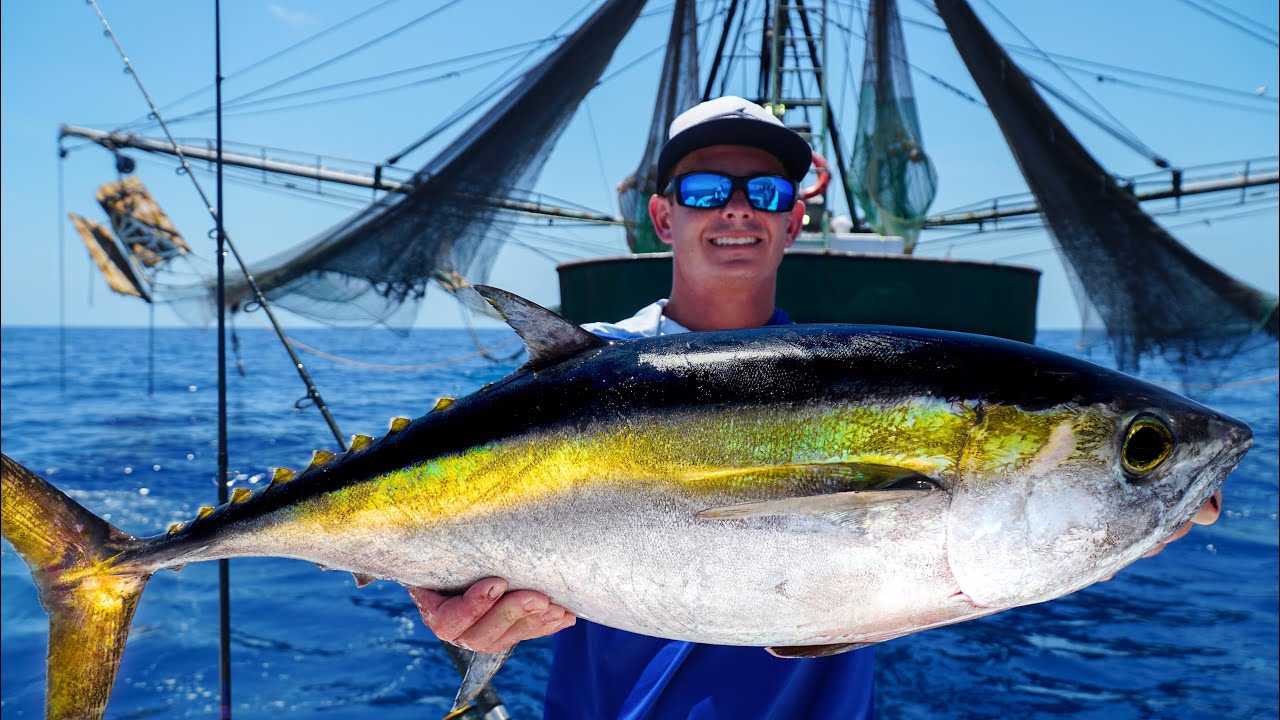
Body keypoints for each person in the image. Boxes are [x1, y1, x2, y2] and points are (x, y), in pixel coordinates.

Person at [405, 96, 1224, 719]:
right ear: (662, 215)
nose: (736, 207)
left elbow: (992, 538)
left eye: (765, 189)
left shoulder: (860, 377)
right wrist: (443, 594)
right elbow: (440, 505)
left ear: (795, 217)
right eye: (703, 188)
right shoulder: (580, 368)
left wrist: (1127, 515)